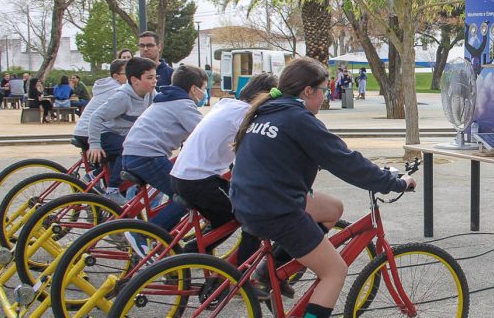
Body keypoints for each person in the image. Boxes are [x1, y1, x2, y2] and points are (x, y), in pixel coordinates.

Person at [230, 57, 415, 318]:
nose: (324, 97)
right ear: (308, 91)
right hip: (275, 209)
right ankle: (279, 274)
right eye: (324, 91)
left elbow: (330, 153)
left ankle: (268, 271)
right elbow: (345, 163)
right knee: (335, 272)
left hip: (248, 200)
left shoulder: (269, 109)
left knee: (332, 208)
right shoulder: (298, 118)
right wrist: (394, 183)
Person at [169, 74, 276, 262]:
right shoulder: (244, 115)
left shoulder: (227, 105)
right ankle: (235, 274)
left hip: (183, 176)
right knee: (249, 217)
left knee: (224, 217)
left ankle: (197, 252)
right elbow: (254, 154)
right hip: (199, 181)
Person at [122, 65, 207, 233]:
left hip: (134, 153)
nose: (205, 93)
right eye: (204, 89)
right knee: (186, 196)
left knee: (175, 193)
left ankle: (163, 237)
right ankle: (148, 235)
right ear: (194, 89)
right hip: (147, 156)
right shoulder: (183, 104)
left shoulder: (166, 99)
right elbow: (205, 131)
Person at [87, 57, 156, 199]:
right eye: (149, 77)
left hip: (122, 136)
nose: (154, 81)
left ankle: (96, 175)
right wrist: (94, 144)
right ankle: (111, 190)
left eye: (156, 77)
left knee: (140, 147)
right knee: (128, 148)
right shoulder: (122, 97)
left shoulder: (150, 94)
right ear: (135, 80)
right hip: (106, 134)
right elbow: (96, 117)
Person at [72, 60, 127, 155]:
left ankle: (100, 169)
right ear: (115, 76)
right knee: (126, 148)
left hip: (82, 130)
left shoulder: (107, 86)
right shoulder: (116, 90)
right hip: (90, 132)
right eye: (127, 73)